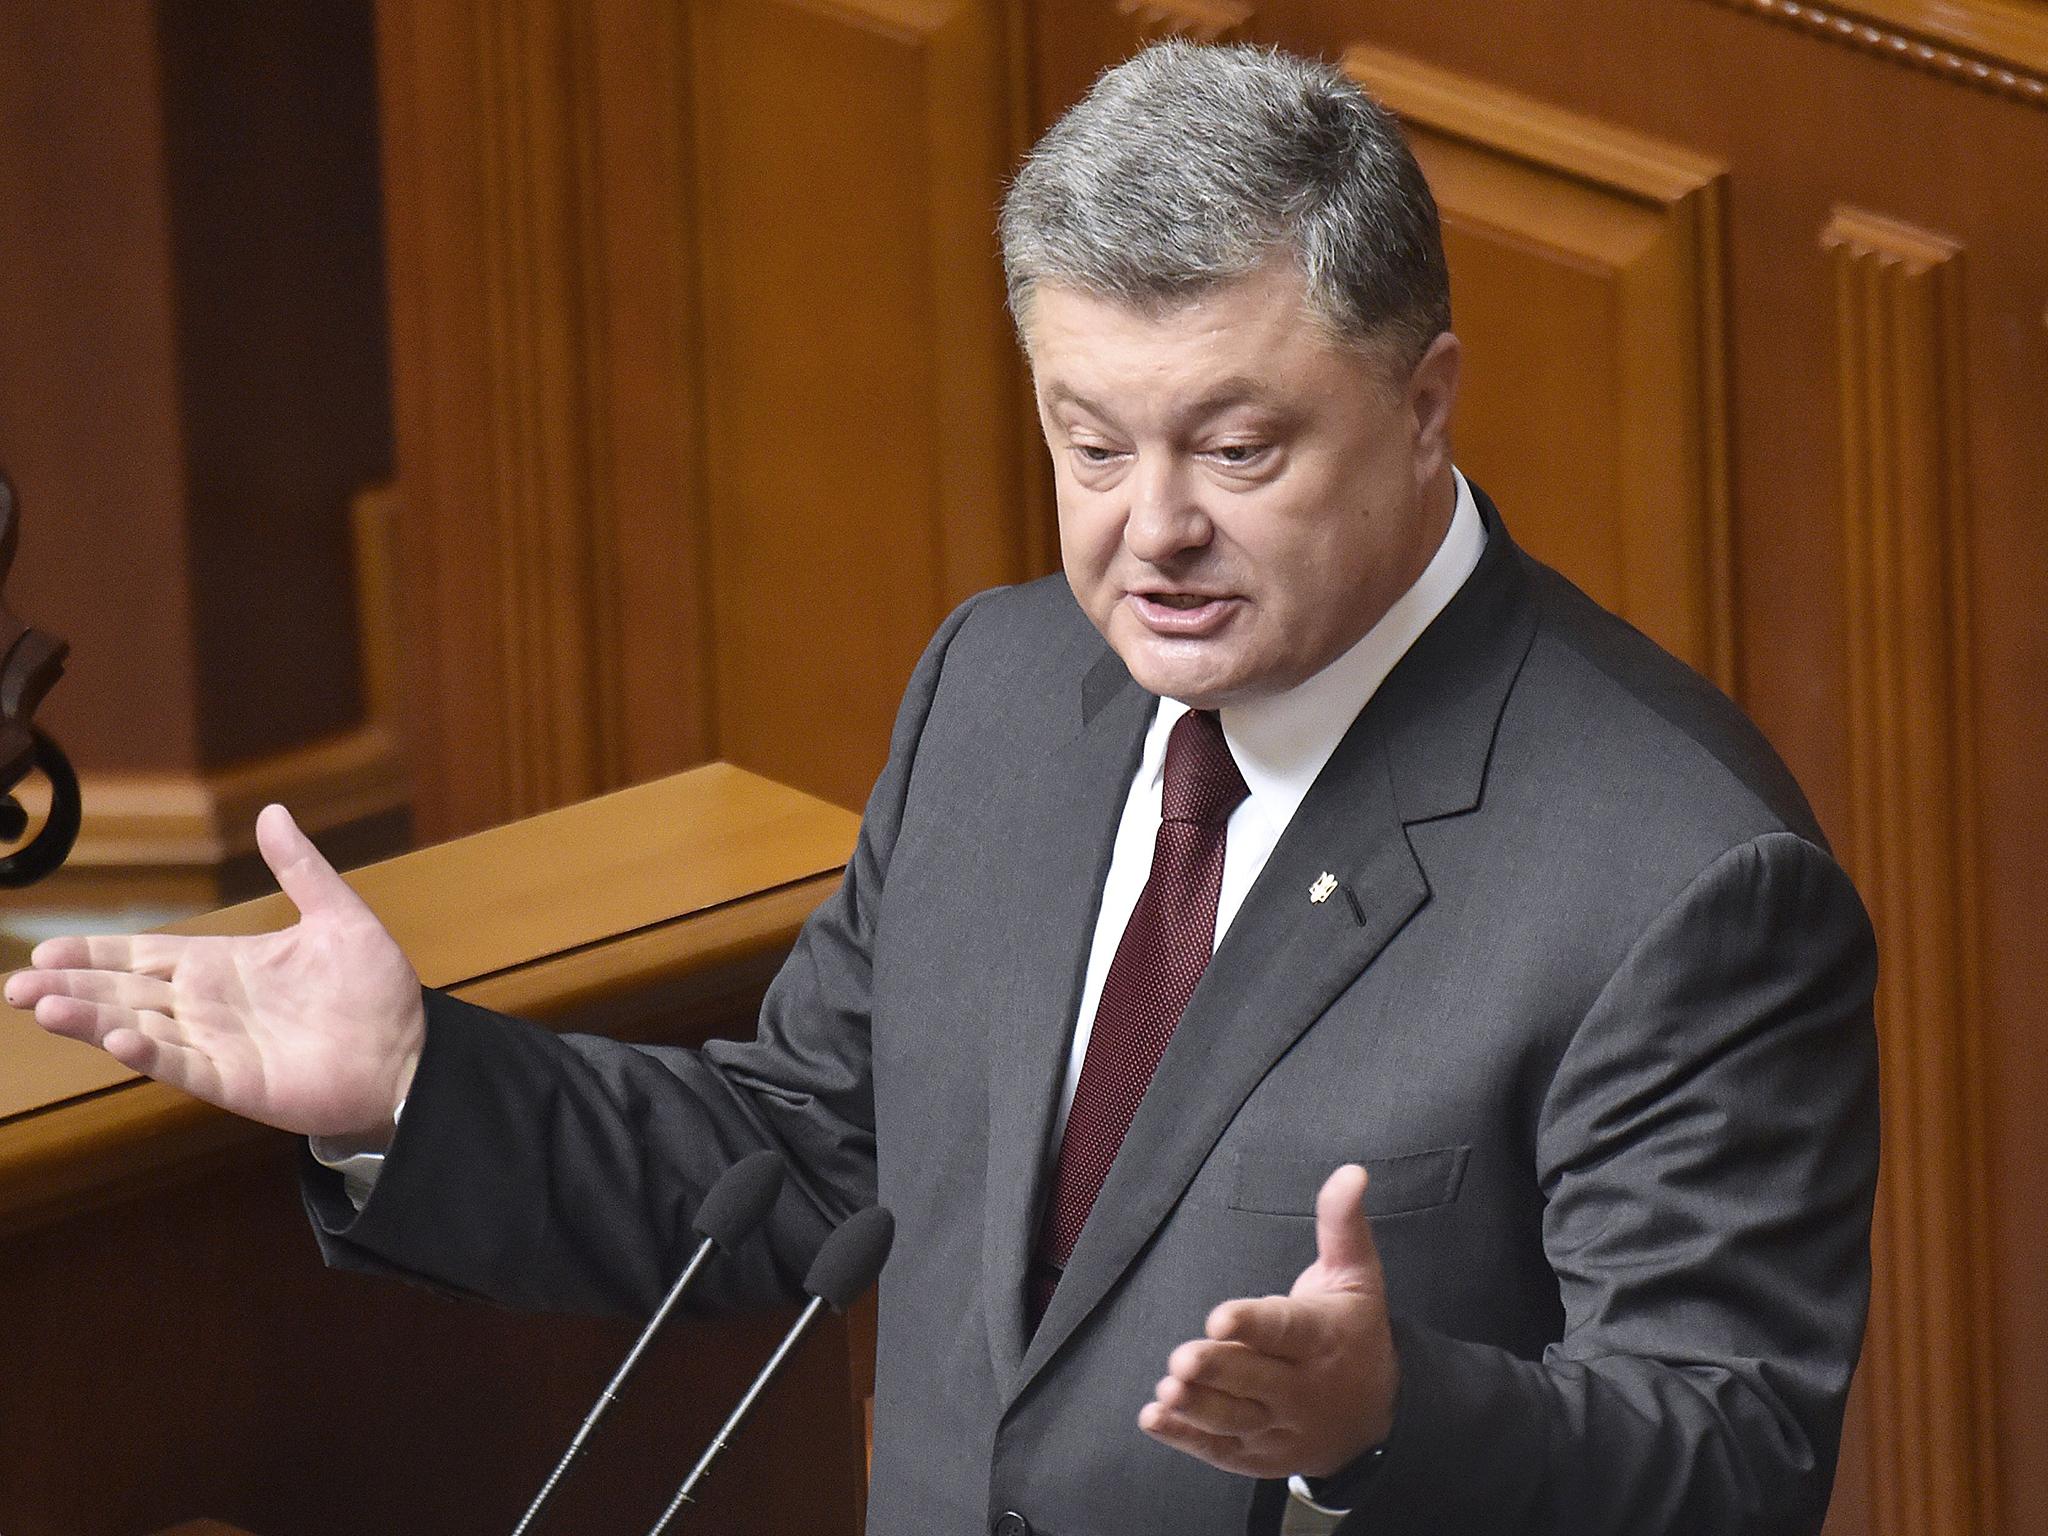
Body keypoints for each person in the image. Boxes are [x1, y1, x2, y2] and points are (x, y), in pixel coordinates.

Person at [8, 41, 1878, 1536]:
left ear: (1425, 402)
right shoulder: (1000, 692)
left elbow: (1729, 1456)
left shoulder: (1683, 876)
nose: (1153, 533)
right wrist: (414, 1088)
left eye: (1239, 447)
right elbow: (811, 1152)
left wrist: (1390, 1420)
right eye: (1089, 443)